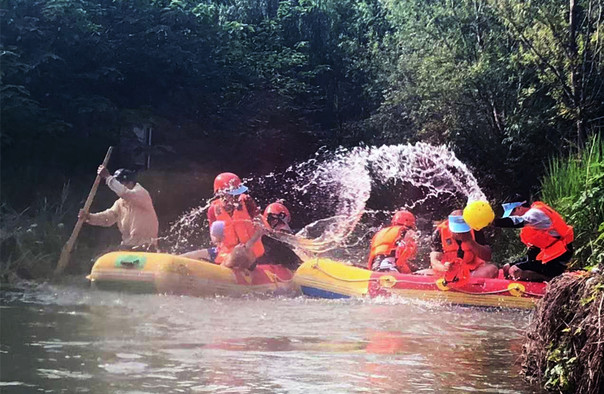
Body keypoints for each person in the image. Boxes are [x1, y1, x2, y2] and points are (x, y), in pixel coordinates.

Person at [493, 195, 574, 281]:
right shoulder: (532, 223)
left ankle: (550, 279)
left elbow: (516, 221)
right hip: (548, 257)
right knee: (507, 267)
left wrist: (493, 222)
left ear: (519, 208)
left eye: (512, 214)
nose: (511, 216)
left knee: (515, 270)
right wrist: (513, 263)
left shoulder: (535, 213)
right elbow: (533, 254)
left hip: (558, 258)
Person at [79, 166, 159, 251]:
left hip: (147, 247)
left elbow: (124, 192)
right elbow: (108, 218)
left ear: (130, 182)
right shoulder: (120, 203)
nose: (117, 186)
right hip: (128, 246)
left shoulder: (141, 194)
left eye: (120, 182)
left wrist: (107, 177)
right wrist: (89, 217)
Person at [207, 172, 264, 268]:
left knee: (239, 252)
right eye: (233, 194)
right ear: (221, 193)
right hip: (227, 254)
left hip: (250, 251)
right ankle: (223, 270)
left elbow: (260, 227)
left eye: (238, 193)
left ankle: (224, 271)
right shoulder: (213, 209)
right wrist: (217, 238)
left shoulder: (247, 201)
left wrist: (248, 244)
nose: (237, 196)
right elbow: (214, 239)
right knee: (235, 254)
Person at [420, 210, 498, 280]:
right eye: (456, 230)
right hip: (448, 271)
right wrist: (444, 267)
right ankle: (453, 279)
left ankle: (464, 281)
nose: (459, 233)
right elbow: (434, 260)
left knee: (492, 269)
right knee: (421, 274)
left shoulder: (475, 229)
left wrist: (470, 241)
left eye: (462, 230)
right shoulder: (439, 232)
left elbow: (487, 256)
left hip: (472, 272)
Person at [254, 202, 302, 271]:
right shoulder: (261, 230)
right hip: (267, 262)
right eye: (273, 220)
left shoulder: (283, 236)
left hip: (281, 263)